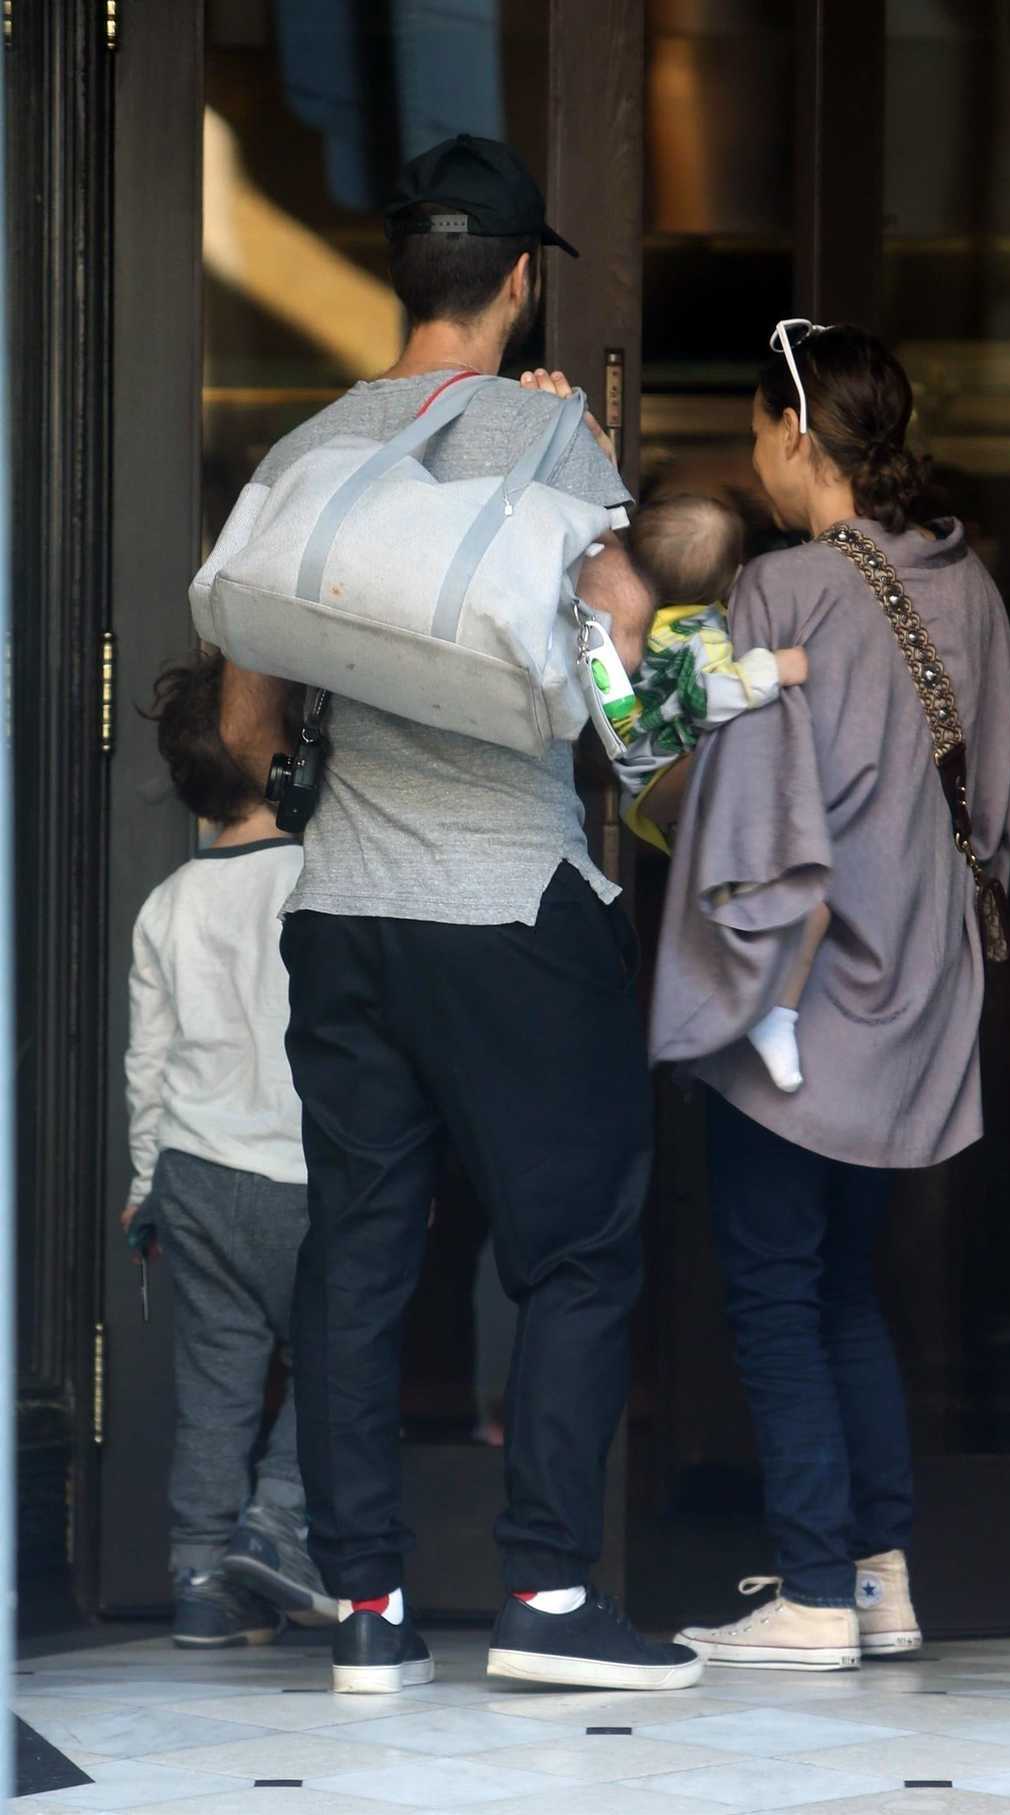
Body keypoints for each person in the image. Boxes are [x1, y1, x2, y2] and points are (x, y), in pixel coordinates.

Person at [217, 134, 703, 1695]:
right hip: (506, 905)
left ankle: (367, 1609)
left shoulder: (311, 446)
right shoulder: (545, 438)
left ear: (398, 276)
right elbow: (631, 648)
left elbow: (242, 724)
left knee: (361, 1247)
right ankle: (552, 1598)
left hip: (344, 908)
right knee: (575, 1245)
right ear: (515, 279)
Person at [652, 320, 1010, 1671]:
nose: (754, 458)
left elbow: (738, 804)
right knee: (840, 1285)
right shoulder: (968, 586)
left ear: (795, 435)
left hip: (799, 990)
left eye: (759, 431)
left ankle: (811, 1587)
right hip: (915, 992)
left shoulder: (785, 587)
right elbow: (1006, 794)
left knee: (765, 1282)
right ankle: (877, 1575)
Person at [122, 654, 336, 1649]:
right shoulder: (321, 875)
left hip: (199, 1173)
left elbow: (148, 1063)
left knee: (215, 1386)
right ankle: (279, 1519)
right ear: (292, 753)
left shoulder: (167, 905)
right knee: (334, 1360)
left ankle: (202, 1577)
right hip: (309, 1175)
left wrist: (144, 1183)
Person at [617, 494, 827, 1091]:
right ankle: (768, 1014)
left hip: (646, 784)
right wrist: (773, 669)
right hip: (672, 785)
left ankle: (737, 1016)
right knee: (803, 911)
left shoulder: (642, 626)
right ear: (735, 575)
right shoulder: (695, 636)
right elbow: (707, 697)